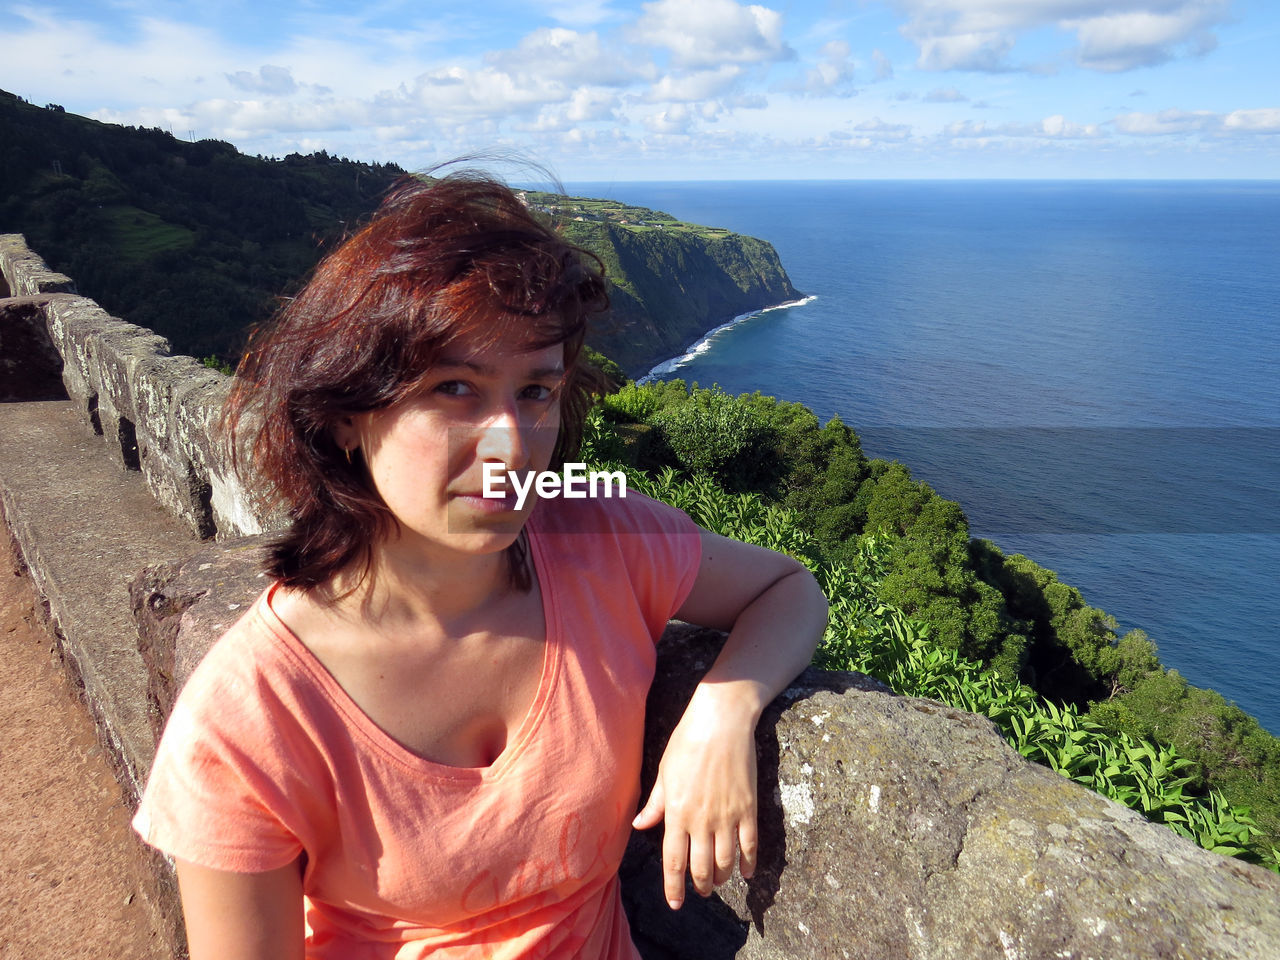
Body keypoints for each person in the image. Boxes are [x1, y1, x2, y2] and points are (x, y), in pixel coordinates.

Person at [132, 170, 829, 959]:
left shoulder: (603, 548)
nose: (511, 448)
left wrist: (724, 711)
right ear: (346, 419)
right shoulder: (251, 717)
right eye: (454, 387)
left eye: (535, 390)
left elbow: (788, 585)